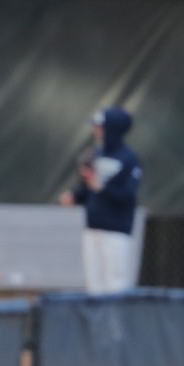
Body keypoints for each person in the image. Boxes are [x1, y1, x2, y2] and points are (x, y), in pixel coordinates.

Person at [59, 106, 143, 293]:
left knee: (116, 284)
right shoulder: (96, 154)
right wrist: (75, 196)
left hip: (116, 231)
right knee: (94, 286)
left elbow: (128, 195)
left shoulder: (129, 159)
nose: (96, 130)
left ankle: (117, 323)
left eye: (100, 126)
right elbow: (88, 189)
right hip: (92, 228)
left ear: (111, 129)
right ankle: (97, 323)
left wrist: (102, 188)